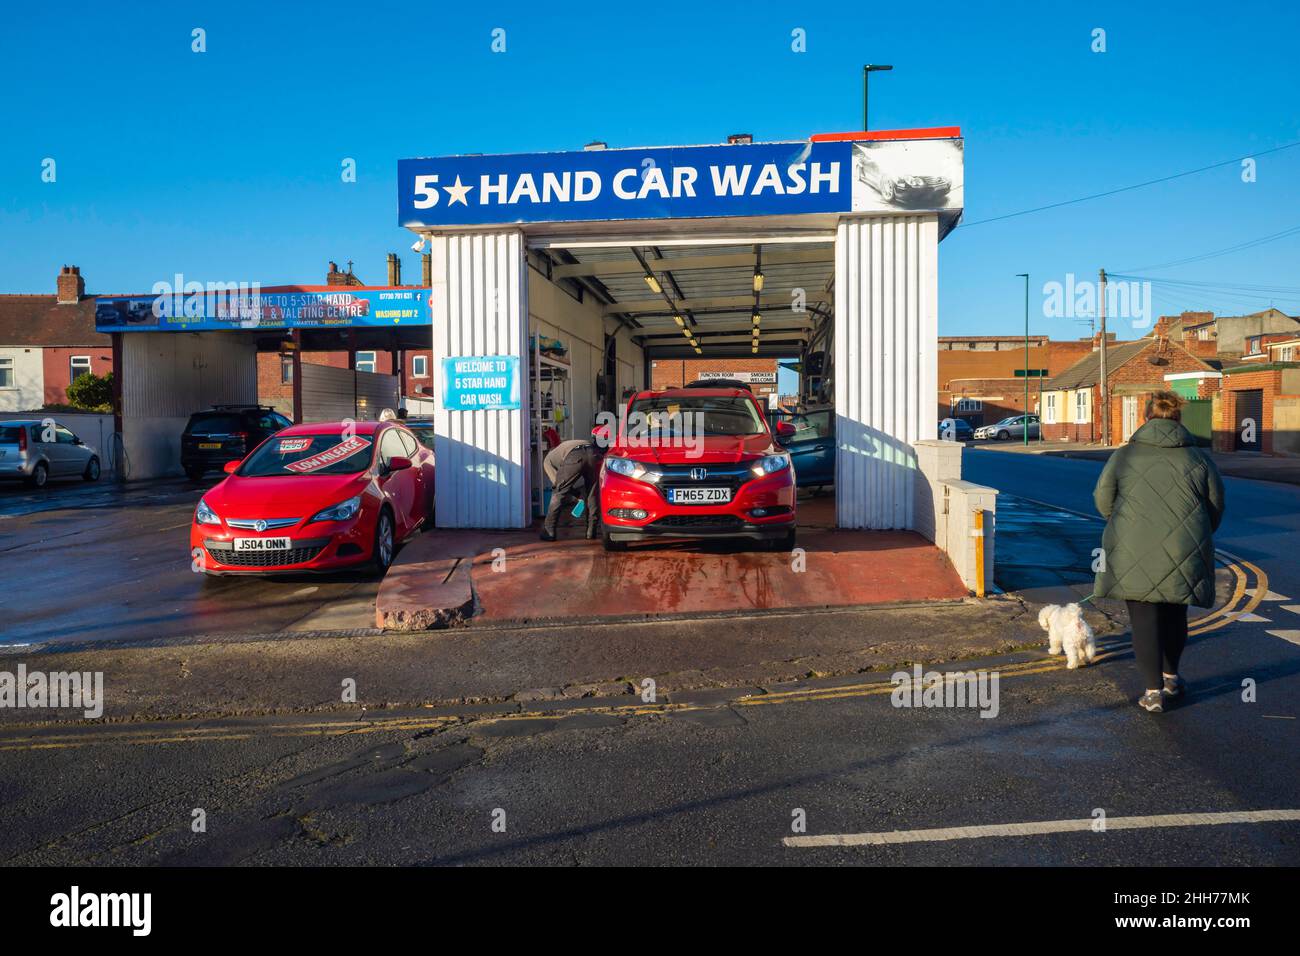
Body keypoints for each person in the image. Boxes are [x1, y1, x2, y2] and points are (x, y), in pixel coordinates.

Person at [1093, 390, 1225, 713]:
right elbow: (1215, 507)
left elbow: (1102, 500)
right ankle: (1171, 678)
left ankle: (1153, 694)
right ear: (1178, 419)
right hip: (1184, 547)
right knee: (1175, 614)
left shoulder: (1124, 456)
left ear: (1145, 418)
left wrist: (1124, 522)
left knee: (1144, 620)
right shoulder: (1198, 458)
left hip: (1132, 547)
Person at [541, 437, 604, 541]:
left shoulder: (548, 460)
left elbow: (558, 485)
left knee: (558, 493)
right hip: (593, 453)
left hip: (574, 455)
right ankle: (591, 531)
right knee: (592, 492)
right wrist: (574, 492)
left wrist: (573, 495)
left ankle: (549, 531)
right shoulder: (563, 447)